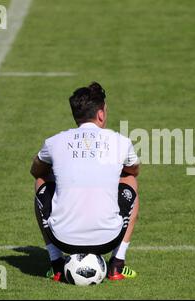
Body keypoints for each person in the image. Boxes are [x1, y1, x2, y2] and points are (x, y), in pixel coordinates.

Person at [30, 82, 140, 282]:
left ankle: (56, 264)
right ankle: (117, 265)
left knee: (41, 180)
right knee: (129, 180)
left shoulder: (54, 142)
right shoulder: (120, 141)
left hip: (62, 239)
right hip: (109, 239)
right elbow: (134, 170)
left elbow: (35, 170)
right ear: (100, 114)